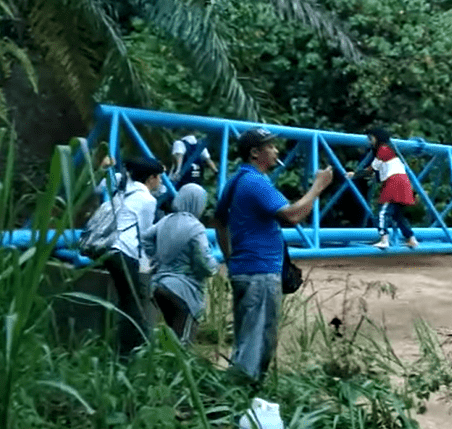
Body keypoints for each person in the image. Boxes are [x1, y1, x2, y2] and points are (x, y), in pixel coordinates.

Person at [215, 127, 333, 382]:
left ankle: (241, 395)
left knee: (248, 339)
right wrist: (317, 187)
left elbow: (219, 220)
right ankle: (241, 398)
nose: (276, 150)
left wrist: (229, 257)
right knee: (256, 344)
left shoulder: (235, 181)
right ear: (255, 153)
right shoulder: (256, 182)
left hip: (244, 270)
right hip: (260, 273)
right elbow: (292, 216)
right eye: (270, 146)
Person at [141, 183, 219, 343]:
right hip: (183, 291)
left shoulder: (165, 220)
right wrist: (214, 268)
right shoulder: (195, 227)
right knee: (184, 341)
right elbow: (205, 262)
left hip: (159, 286)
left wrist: (156, 257)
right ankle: (176, 367)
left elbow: (145, 238)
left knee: (171, 336)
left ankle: (161, 365)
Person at [103, 156, 164, 356]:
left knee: (126, 300)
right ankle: (130, 353)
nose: (161, 183)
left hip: (110, 251)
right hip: (126, 252)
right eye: (159, 178)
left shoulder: (124, 191)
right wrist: (146, 266)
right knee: (135, 304)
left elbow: (100, 186)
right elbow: (144, 235)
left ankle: (120, 348)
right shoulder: (147, 200)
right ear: (151, 178)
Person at [346, 128, 419, 249]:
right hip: (402, 181)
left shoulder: (383, 150)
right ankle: (411, 239)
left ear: (377, 137)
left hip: (394, 182)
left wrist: (355, 174)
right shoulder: (392, 151)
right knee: (398, 215)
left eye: (371, 138)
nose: (370, 141)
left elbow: (371, 169)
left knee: (382, 212)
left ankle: (384, 239)